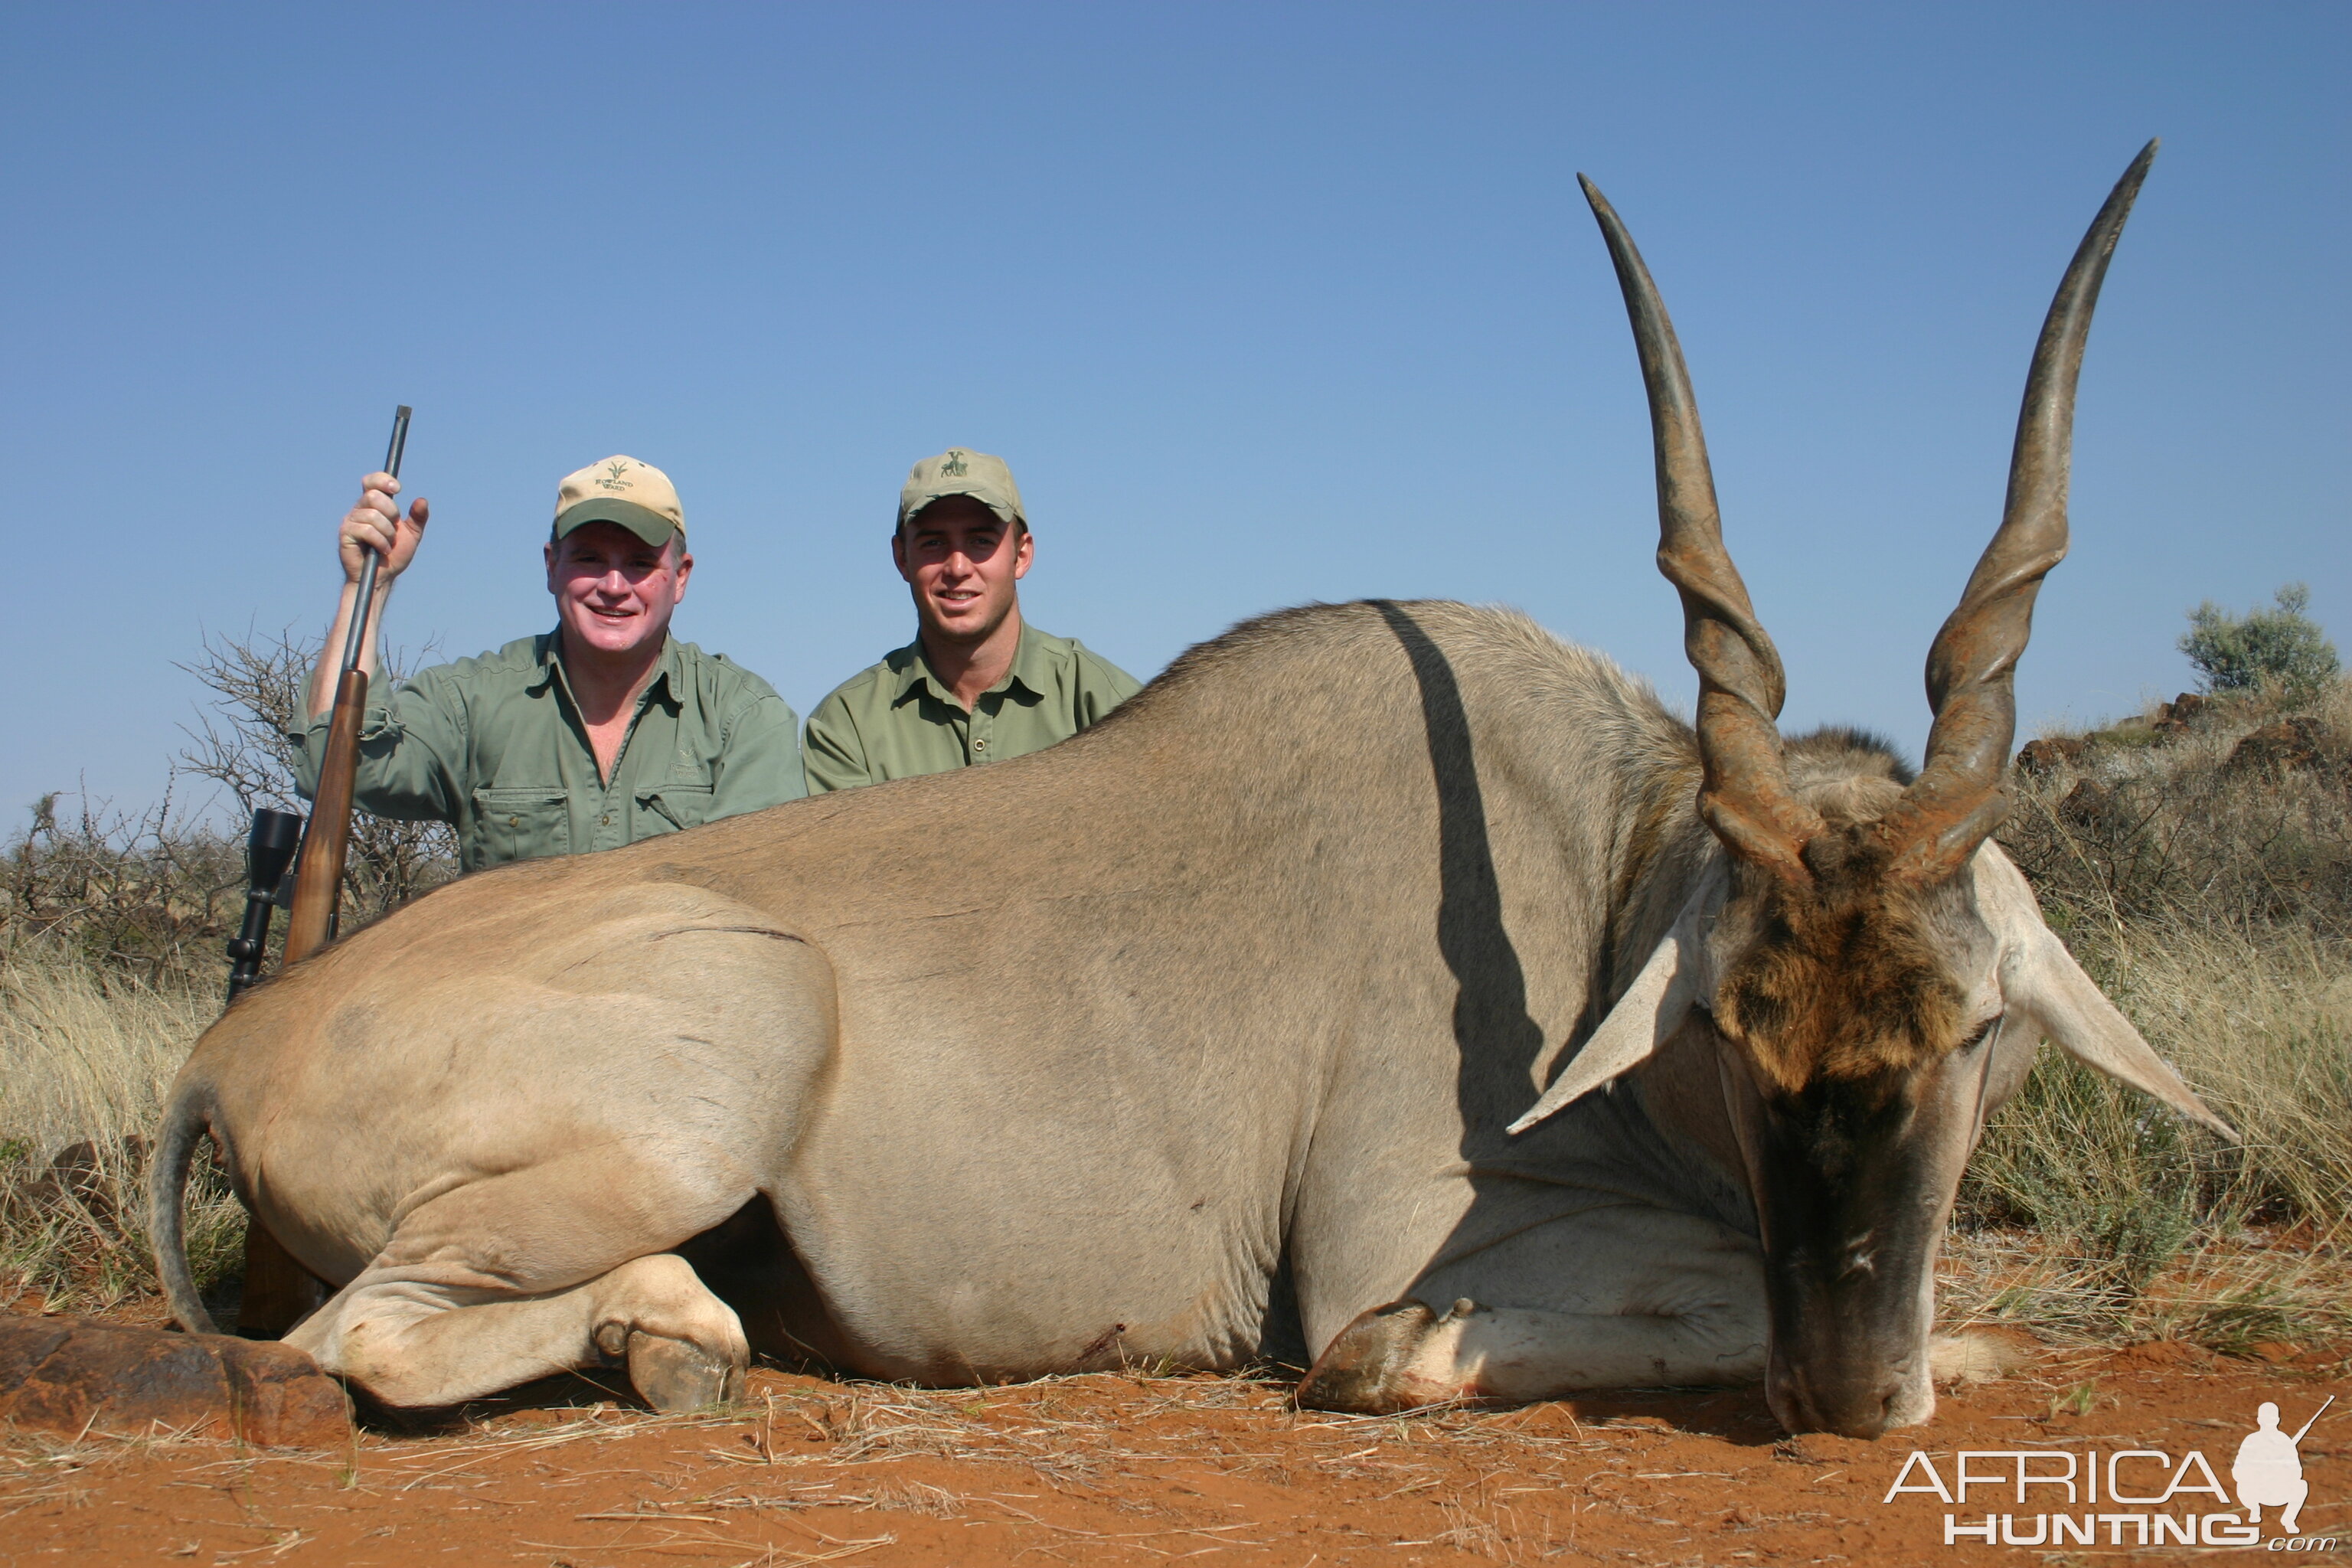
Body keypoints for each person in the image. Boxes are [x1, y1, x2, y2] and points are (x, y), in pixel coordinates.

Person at [293, 455, 804, 871]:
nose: (613, 586)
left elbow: (754, 891)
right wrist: (367, 586)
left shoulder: (745, 717)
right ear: (551, 565)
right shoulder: (473, 699)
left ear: (682, 576)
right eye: (588, 559)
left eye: (640, 564)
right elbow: (336, 769)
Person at [803, 448, 1140, 792]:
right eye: (934, 542)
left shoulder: (1103, 701)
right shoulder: (847, 725)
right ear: (902, 558)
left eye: (981, 541)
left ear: (1021, 555)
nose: (958, 568)